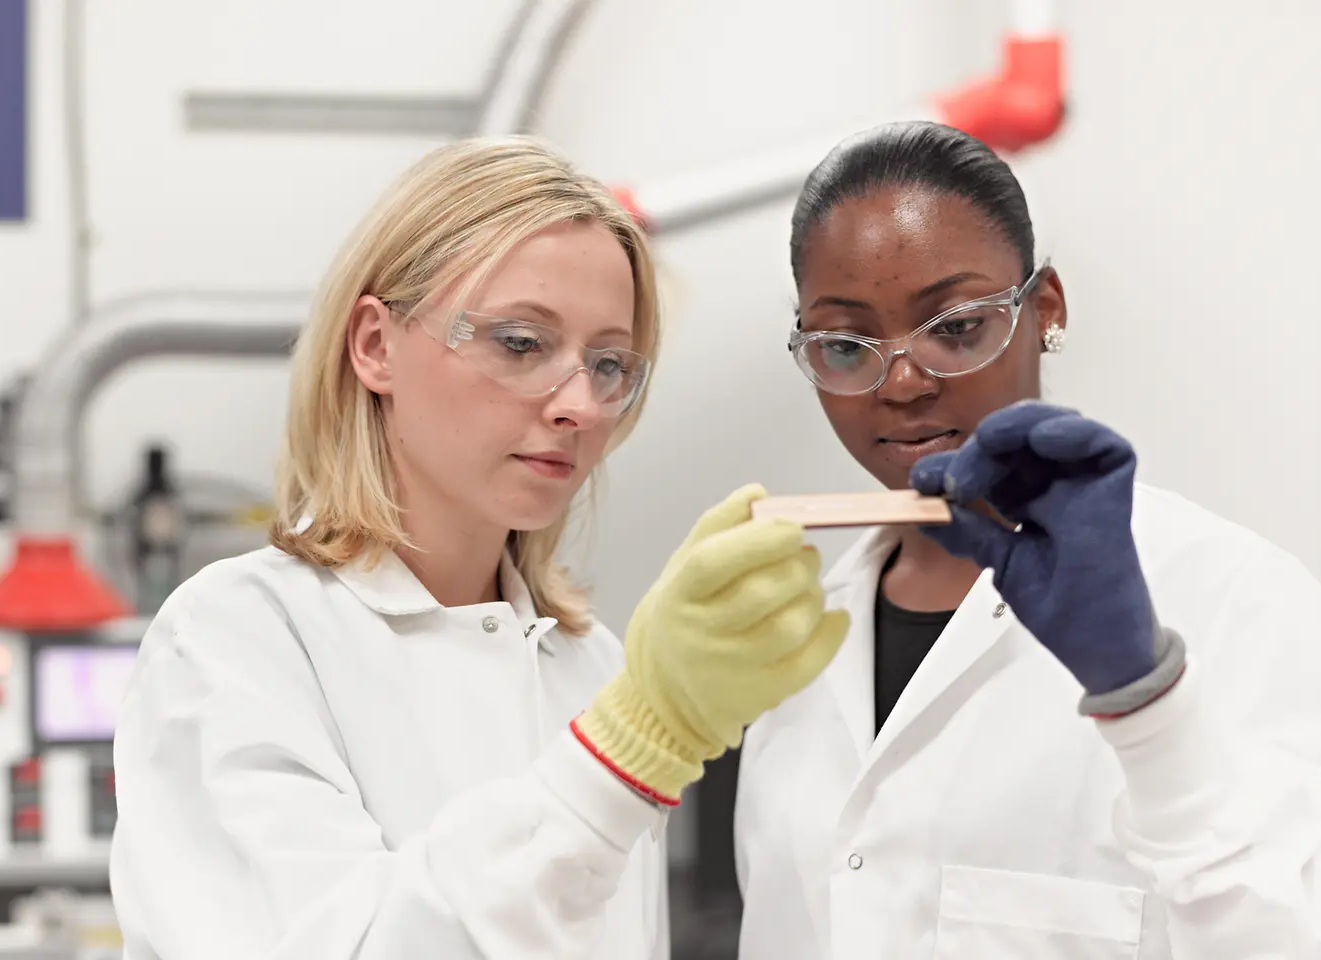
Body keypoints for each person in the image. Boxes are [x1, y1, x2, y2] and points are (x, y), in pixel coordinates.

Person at [108, 135, 850, 960]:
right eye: (520, 343)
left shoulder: (591, 664)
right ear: (375, 346)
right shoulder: (236, 641)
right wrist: (622, 757)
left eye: (609, 364)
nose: (579, 404)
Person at [733, 120, 1321, 958]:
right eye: (844, 344)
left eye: (955, 327)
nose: (900, 382)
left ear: (1043, 309)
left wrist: (1146, 699)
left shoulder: (1239, 603)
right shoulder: (791, 653)